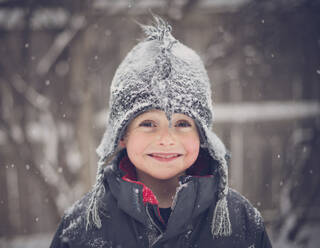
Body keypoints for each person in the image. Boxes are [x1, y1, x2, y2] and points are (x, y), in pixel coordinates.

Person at [50, 15, 272, 248]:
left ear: (202, 136)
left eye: (182, 124)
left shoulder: (241, 221)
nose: (166, 139)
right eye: (148, 124)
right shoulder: (82, 228)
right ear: (122, 135)